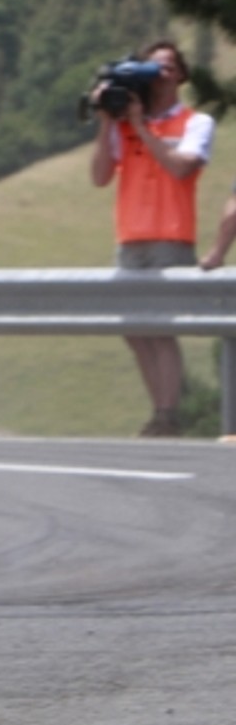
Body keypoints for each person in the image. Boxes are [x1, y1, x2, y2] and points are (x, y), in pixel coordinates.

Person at [90, 38, 213, 437]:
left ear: (181, 76)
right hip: (130, 237)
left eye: (168, 68)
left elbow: (180, 168)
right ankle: (160, 409)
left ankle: (167, 414)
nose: (160, 75)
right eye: (153, 67)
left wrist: (142, 126)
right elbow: (99, 177)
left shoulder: (194, 122)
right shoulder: (124, 123)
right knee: (134, 329)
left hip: (170, 236)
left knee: (160, 328)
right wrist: (107, 121)